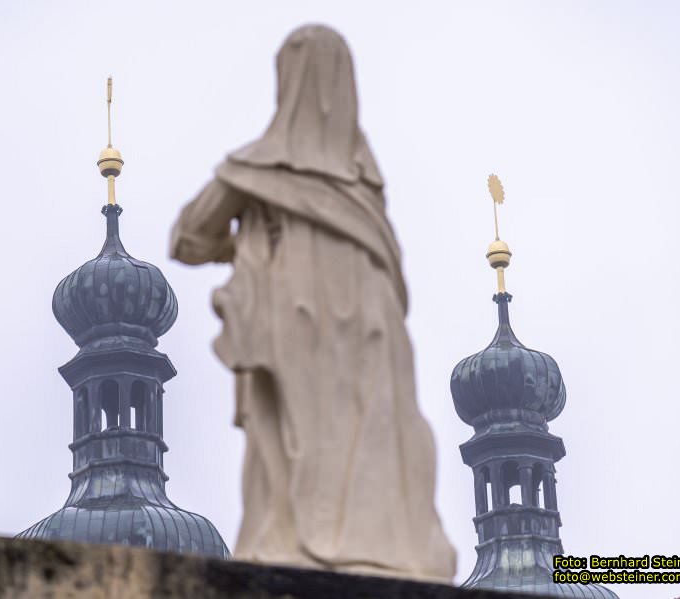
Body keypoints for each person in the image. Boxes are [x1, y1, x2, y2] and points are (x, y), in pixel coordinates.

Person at [170, 24, 456, 580]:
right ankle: (378, 550)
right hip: (373, 327)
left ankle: (301, 545)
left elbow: (187, 237)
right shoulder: (362, 189)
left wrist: (245, 243)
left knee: (298, 439)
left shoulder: (255, 171)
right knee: (368, 434)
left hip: (291, 323)